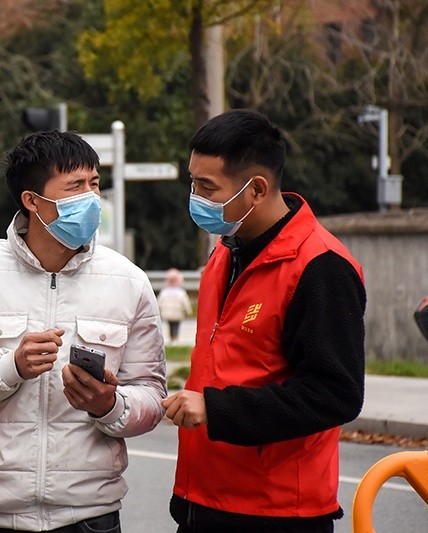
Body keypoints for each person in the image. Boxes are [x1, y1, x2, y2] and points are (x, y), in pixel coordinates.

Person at [0, 130, 167, 532]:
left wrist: (110, 404)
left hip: (91, 515)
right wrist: (9, 366)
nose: (91, 198)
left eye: (94, 184)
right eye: (75, 187)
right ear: (32, 201)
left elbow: (153, 396)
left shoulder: (128, 281)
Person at [162, 109, 366, 532]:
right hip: (202, 500)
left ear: (256, 189)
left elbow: (336, 394)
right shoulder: (225, 251)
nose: (195, 197)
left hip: (275, 512)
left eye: (207, 187)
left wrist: (216, 409)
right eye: (192, 182)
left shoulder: (321, 266)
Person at [156, 268, 192, 344]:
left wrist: (158, 310)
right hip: (177, 313)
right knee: (176, 325)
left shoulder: (164, 292)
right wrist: (188, 311)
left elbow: (159, 302)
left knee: (170, 325)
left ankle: (171, 338)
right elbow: (185, 302)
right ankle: (175, 338)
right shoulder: (180, 292)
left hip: (167, 313)